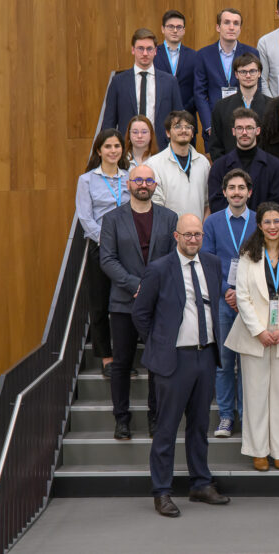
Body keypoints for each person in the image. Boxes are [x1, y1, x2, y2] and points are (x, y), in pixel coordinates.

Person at [132, 213, 229, 517]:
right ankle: (162, 491)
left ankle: (200, 483)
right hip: (174, 360)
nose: (193, 239)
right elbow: (140, 313)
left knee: (199, 426)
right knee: (166, 428)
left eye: (197, 234)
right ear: (176, 236)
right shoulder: (159, 269)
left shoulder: (212, 263)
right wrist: (160, 343)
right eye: (187, 234)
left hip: (206, 356)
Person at [225, 202, 279, 472]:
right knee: (255, 395)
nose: (272, 227)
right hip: (253, 334)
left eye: (277, 221)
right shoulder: (247, 256)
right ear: (259, 225)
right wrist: (259, 330)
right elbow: (242, 297)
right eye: (267, 222)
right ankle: (258, 450)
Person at [100, 164, 177, 440]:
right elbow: (107, 259)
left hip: (158, 304)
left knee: (157, 363)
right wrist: (136, 285)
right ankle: (121, 419)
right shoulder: (112, 219)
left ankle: (155, 417)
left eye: (148, 180)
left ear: (155, 185)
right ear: (128, 184)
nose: (143, 184)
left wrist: (152, 289)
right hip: (123, 303)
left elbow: (174, 258)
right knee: (121, 363)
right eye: (138, 180)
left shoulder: (170, 218)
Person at [201, 169, 259, 438]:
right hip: (223, 301)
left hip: (253, 301)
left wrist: (243, 292)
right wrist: (227, 290)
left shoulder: (259, 221)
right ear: (224, 192)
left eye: (241, 188)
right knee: (224, 362)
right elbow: (207, 261)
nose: (237, 192)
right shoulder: (212, 222)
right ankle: (226, 415)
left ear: (249, 192)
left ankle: (247, 415)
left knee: (248, 361)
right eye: (232, 188)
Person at [77, 130, 131, 378]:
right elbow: (85, 218)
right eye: (107, 146)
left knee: (126, 304)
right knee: (100, 304)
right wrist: (108, 240)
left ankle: (124, 357)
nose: (113, 151)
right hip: (100, 247)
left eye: (117, 146)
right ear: (99, 150)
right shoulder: (87, 180)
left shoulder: (129, 177)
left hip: (128, 248)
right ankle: (107, 358)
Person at [102, 28, 183, 150]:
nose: (145, 53)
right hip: (127, 150)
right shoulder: (118, 82)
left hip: (161, 149)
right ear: (133, 50)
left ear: (155, 51)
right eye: (140, 48)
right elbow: (109, 122)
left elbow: (178, 120)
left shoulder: (170, 82)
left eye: (149, 49)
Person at [192, 8, 258, 141]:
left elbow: (257, 89)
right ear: (218, 27)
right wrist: (209, 126)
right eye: (227, 22)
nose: (231, 27)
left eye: (236, 23)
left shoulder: (252, 53)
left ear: (240, 29)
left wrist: (252, 123)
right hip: (214, 126)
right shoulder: (203, 55)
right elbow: (199, 93)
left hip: (245, 126)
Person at [207, 108, 279, 214]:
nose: (244, 132)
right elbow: (216, 204)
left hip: (262, 223)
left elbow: (276, 203)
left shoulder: (274, 165)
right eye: (239, 128)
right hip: (229, 223)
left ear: (257, 131)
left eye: (249, 128)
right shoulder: (219, 166)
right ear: (233, 131)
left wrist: (254, 220)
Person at [148, 110, 211, 219]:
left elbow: (208, 203)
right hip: (168, 229)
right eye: (177, 127)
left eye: (188, 127)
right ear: (168, 133)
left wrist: (202, 227)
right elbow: (156, 206)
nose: (183, 130)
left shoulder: (203, 163)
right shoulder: (154, 164)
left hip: (198, 229)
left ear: (192, 133)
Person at [208, 53, 268, 160]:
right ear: (236, 74)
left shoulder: (271, 106)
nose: (248, 75)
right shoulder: (221, 107)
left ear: (259, 73)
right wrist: (226, 166)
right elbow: (215, 145)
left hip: (264, 167)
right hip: (230, 167)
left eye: (252, 71)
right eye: (243, 71)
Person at [154, 9, 198, 117]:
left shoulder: (195, 56)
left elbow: (198, 89)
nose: (175, 30)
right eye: (170, 26)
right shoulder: (153, 54)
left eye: (179, 27)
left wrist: (184, 111)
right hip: (158, 116)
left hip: (187, 116)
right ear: (163, 29)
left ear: (184, 30)